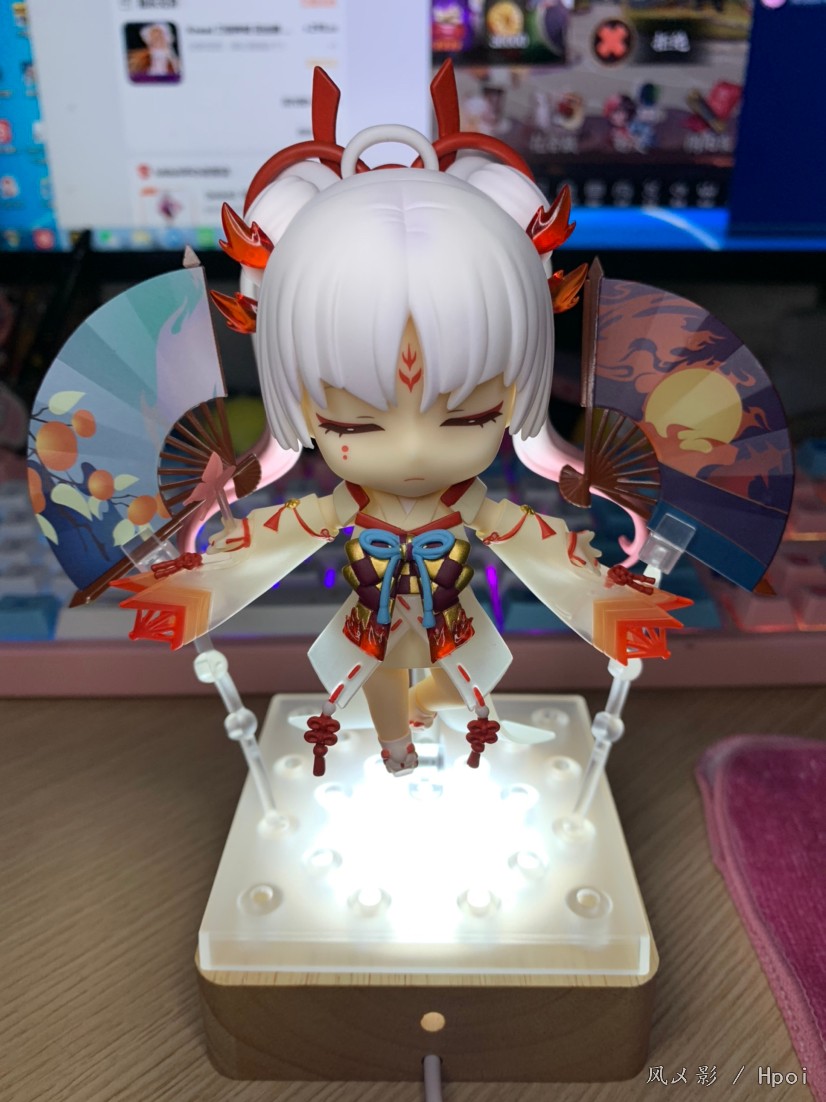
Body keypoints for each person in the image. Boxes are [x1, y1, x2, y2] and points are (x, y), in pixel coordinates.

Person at [118, 69, 688, 777]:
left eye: (470, 417)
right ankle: (396, 745)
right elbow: (272, 543)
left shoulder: (466, 503)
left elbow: (540, 550)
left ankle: (422, 722)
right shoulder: (349, 504)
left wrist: (608, 606)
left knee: (460, 683)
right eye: (355, 427)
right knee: (379, 674)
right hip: (373, 624)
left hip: (450, 623)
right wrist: (192, 592)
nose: (415, 450)